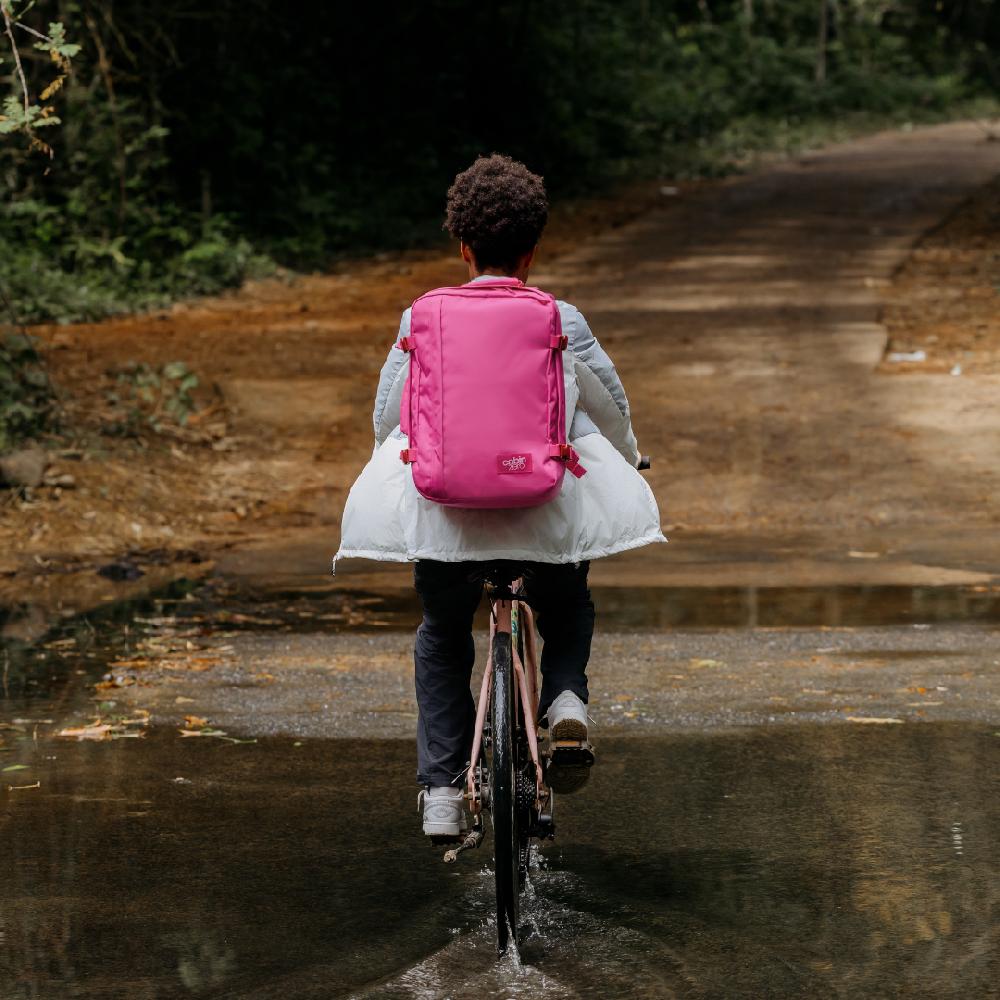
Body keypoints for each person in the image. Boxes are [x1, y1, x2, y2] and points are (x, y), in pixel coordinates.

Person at [335, 153, 664, 837]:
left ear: (461, 247)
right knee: (568, 604)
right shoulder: (558, 316)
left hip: (447, 514)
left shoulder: (420, 316)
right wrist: (632, 456)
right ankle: (566, 699)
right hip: (539, 510)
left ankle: (441, 795)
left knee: (442, 631)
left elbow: (388, 415)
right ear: (532, 251)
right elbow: (608, 404)